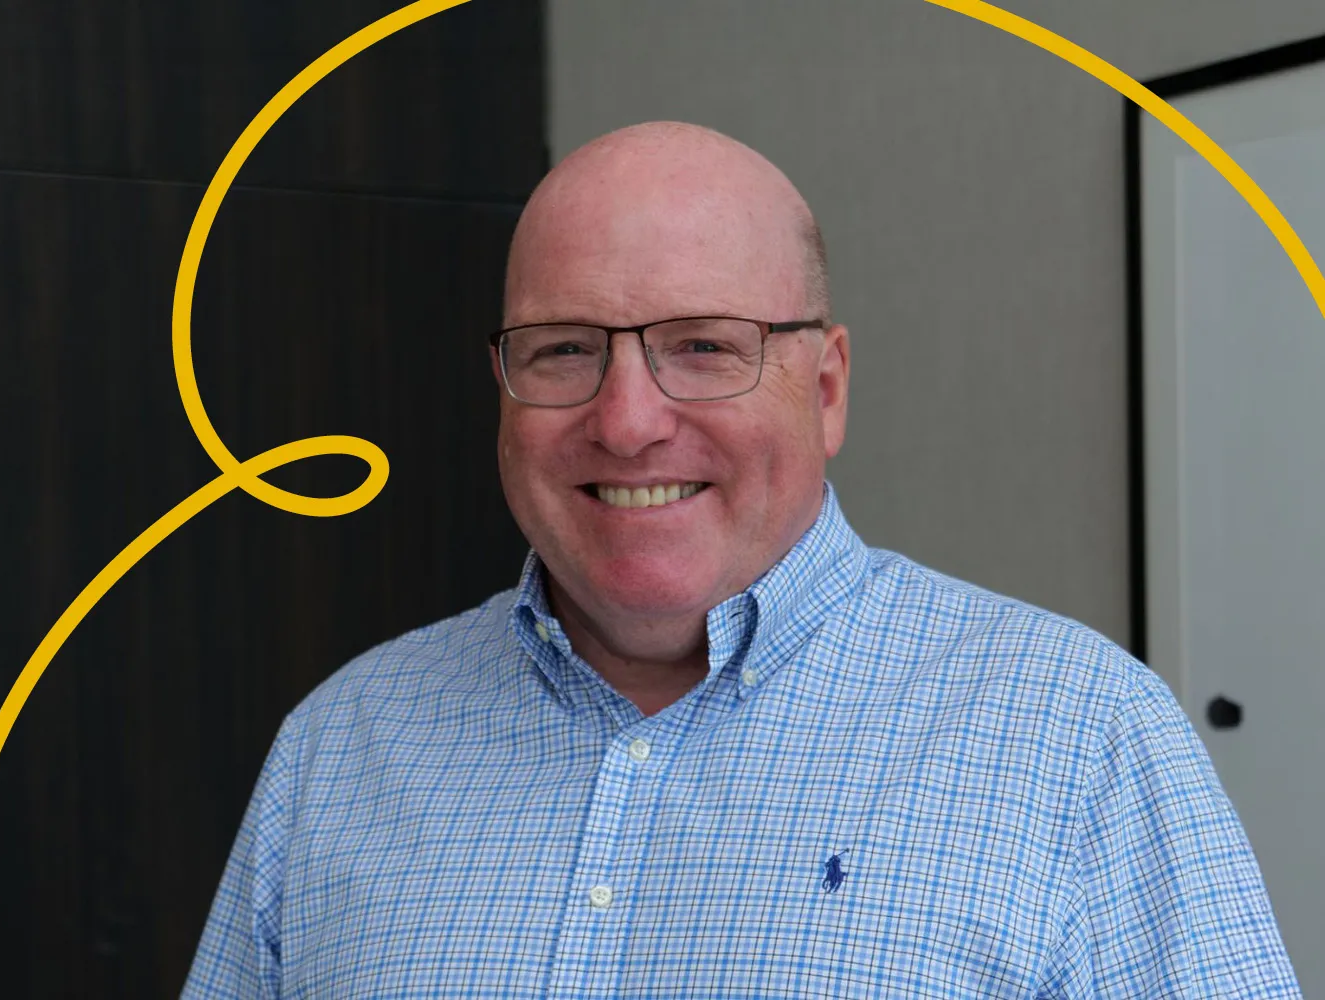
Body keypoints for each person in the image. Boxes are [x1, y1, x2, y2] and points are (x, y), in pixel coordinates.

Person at [182, 122, 1301, 998]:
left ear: (825, 388)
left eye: (703, 346)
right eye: (564, 349)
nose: (626, 422)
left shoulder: (1078, 737)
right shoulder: (341, 747)